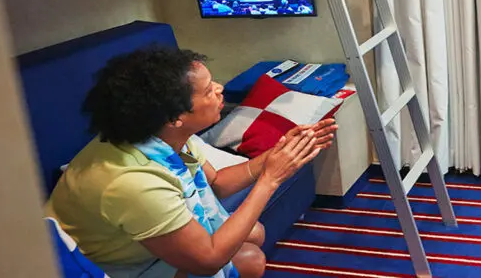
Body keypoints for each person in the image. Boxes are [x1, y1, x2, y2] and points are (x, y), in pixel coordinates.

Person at [45, 48, 337, 278]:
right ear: (175, 116)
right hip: (106, 265)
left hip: (133, 238)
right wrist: (271, 178)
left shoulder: (165, 134)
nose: (221, 89)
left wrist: (277, 154)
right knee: (251, 261)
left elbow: (217, 183)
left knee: (255, 233)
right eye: (209, 90)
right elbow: (208, 260)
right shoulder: (133, 183)